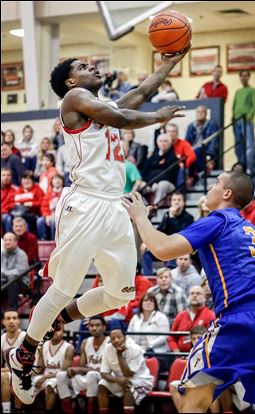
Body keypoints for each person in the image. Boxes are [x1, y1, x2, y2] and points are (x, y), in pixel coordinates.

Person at [5, 48, 190, 405]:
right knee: (63, 287)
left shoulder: (100, 105)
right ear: (71, 81)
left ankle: (63, 317)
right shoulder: (75, 98)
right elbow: (122, 115)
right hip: (85, 202)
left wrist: (170, 61)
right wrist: (157, 118)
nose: (91, 66)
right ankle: (24, 354)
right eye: (81, 66)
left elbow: (143, 90)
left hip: (114, 204)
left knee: (121, 293)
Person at [122, 171, 255, 413]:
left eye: (215, 183)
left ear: (227, 193)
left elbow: (161, 249)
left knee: (192, 400)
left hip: (241, 321)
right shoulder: (251, 230)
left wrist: (140, 218)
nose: (210, 187)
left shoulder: (219, 220)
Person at [56, 316, 109, 414]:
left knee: (91, 375)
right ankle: (69, 409)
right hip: (89, 377)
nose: (94, 328)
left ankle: (90, 409)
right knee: (61, 376)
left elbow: (109, 370)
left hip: (104, 379)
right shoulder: (85, 342)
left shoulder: (109, 342)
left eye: (97, 325)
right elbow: (82, 366)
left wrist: (83, 370)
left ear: (104, 327)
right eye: (91, 325)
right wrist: (73, 370)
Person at [98, 328, 154, 413]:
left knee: (127, 385)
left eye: (119, 337)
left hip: (140, 380)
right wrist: (117, 379)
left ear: (125, 337)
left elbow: (128, 374)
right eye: (113, 338)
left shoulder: (136, 349)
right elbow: (103, 373)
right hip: (119, 379)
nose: (116, 340)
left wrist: (119, 355)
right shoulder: (107, 348)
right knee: (102, 384)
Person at [141, 191, 193, 275]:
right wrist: (148, 242)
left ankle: (170, 275)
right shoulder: (167, 214)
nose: (176, 202)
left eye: (179, 200)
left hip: (179, 248)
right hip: (165, 246)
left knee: (172, 251)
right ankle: (148, 277)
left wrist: (172, 217)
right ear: (171, 202)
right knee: (147, 251)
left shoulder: (189, 218)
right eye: (174, 200)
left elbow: (180, 234)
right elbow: (159, 230)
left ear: (183, 203)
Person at [32, 327, 74, 412]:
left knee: (50, 385)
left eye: (58, 330)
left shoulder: (69, 348)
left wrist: (44, 377)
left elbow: (64, 373)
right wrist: (29, 374)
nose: (55, 332)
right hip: (45, 376)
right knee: (25, 384)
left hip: (61, 379)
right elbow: (40, 368)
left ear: (63, 333)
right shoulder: (44, 346)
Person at [167, 286, 215, 353]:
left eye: (198, 293)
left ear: (205, 298)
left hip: (201, 355)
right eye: (192, 293)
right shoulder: (181, 315)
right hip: (180, 356)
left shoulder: (210, 315)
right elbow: (171, 338)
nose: (194, 295)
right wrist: (176, 351)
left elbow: (211, 339)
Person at [127, 293, 170, 365]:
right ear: (141, 303)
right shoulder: (135, 318)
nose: (148, 302)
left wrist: (149, 346)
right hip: (137, 350)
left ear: (155, 304)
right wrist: (133, 346)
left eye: (151, 301)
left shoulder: (161, 317)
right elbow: (129, 335)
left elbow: (164, 336)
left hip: (157, 352)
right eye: (146, 300)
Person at [140, 134, 179, 205]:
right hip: (151, 183)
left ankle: (155, 207)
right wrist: (147, 182)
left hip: (168, 184)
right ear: (157, 143)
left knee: (162, 185)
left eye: (165, 141)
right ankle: (144, 206)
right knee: (140, 186)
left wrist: (156, 181)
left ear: (170, 143)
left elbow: (168, 174)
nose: (163, 143)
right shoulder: (153, 156)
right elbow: (145, 171)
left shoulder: (173, 157)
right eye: (161, 141)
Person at [232, 70, 255, 165]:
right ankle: (241, 164)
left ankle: (249, 164)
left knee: (249, 143)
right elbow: (234, 106)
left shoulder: (253, 91)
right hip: (236, 121)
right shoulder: (238, 91)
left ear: (249, 77)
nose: (244, 78)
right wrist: (233, 118)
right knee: (238, 145)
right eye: (242, 76)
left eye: (246, 76)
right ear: (239, 78)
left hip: (247, 121)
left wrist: (248, 117)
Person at [1, 310, 26, 414]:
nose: (11, 321)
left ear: (19, 321)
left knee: (5, 376)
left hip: (25, 371)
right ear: (3, 322)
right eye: (8, 318)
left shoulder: (25, 337)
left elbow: (26, 364)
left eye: (14, 318)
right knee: (5, 376)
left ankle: (12, 410)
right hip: (8, 372)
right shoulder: (1, 338)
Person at [1, 232, 30, 309]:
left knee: (12, 278)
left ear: (15, 242)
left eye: (10, 240)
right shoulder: (1, 254)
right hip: (4, 281)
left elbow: (19, 272)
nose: (7, 242)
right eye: (5, 240)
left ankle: (12, 309)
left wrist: (3, 273)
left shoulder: (21, 254)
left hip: (21, 283)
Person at [185, 105, 219, 170]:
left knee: (198, 151)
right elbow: (186, 142)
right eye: (198, 112)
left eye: (202, 112)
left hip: (204, 151)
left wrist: (209, 156)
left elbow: (214, 142)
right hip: (192, 152)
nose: (200, 114)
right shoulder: (191, 126)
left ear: (206, 114)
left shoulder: (212, 125)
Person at [37, 174, 64, 240]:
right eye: (55, 179)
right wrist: (46, 216)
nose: (57, 181)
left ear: (62, 181)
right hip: (50, 214)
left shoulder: (65, 193)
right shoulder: (49, 193)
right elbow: (44, 207)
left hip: (62, 216)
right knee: (39, 221)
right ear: (52, 182)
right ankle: (43, 239)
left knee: (53, 220)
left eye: (59, 179)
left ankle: (53, 240)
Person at [1, 168, 18, 234]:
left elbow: (15, 204)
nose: (6, 177)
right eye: (3, 175)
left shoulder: (16, 189)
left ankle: (8, 238)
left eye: (8, 175)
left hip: (9, 213)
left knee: (7, 218)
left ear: (11, 177)